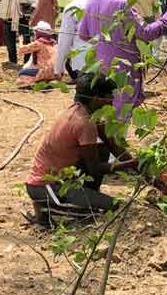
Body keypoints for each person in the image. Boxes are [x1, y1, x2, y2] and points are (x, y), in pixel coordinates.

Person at [25, 73, 138, 224]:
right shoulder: (84, 123)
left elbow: (114, 147)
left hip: (58, 180)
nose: (112, 100)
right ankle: (46, 209)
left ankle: (86, 198)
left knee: (101, 150)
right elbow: (95, 169)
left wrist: (149, 174)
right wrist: (130, 165)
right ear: (97, 99)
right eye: (109, 96)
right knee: (113, 210)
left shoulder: (82, 111)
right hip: (46, 187)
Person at [79, 0, 167, 117]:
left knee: (104, 113)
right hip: (123, 70)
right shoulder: (122, 3)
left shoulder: (92, 1)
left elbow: (83, 34)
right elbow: (146, 33)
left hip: (100, 68)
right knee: (121, 114)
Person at [55, 0, 93, 80]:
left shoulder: (72, 7)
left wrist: (58, 68)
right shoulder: (100, 3)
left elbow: (64, 40)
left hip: (81, 62)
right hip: (103, 61)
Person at [16, 21, 58, 87]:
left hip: (44, 70)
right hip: (55, 72)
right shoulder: (54, 43)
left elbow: (22, 50)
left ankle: (32, 83)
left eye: (35, 32)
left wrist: (20, 41)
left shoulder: (39, 43)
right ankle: (46, 81)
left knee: (22, 72)